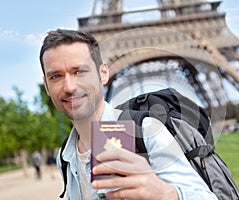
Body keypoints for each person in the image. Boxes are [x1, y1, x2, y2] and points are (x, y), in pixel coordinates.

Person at [40, 28, 217, 200]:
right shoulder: (65, 157)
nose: (69, 87)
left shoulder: (146, 131)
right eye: (56, 76)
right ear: (46, 86)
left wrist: (167, 194)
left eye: (79, 71)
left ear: (103, 73)